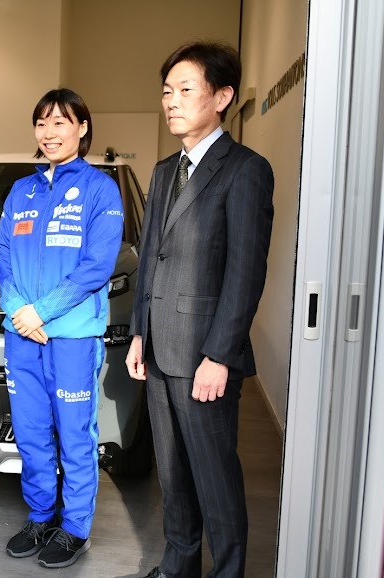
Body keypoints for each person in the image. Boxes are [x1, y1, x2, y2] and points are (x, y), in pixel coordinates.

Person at [125, 42, 274, 578]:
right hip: (160, 350)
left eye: (186, 90)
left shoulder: (245, 170)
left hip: (205, 356)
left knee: (215, 478)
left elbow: (244, 274)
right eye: (167, 91)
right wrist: (139, 333)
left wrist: (220, 355)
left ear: (223, 96)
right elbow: (150, 262)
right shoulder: (165, 170)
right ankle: (178, 564)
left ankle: (228, 571)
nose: (172, 101)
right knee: (173, 475)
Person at [0, 88, 124, 569]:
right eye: (42, 124)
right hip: (21, 334)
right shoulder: (21, 191)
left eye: (61, 123)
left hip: (70, 336)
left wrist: (41, 312)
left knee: (74, 434)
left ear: (82, 128)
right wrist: (17, 312)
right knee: (30, 432)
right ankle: (40, 515)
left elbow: (96, 266)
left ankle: (74, 528)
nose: (49, 133)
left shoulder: (99, 190)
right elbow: (3, 255)